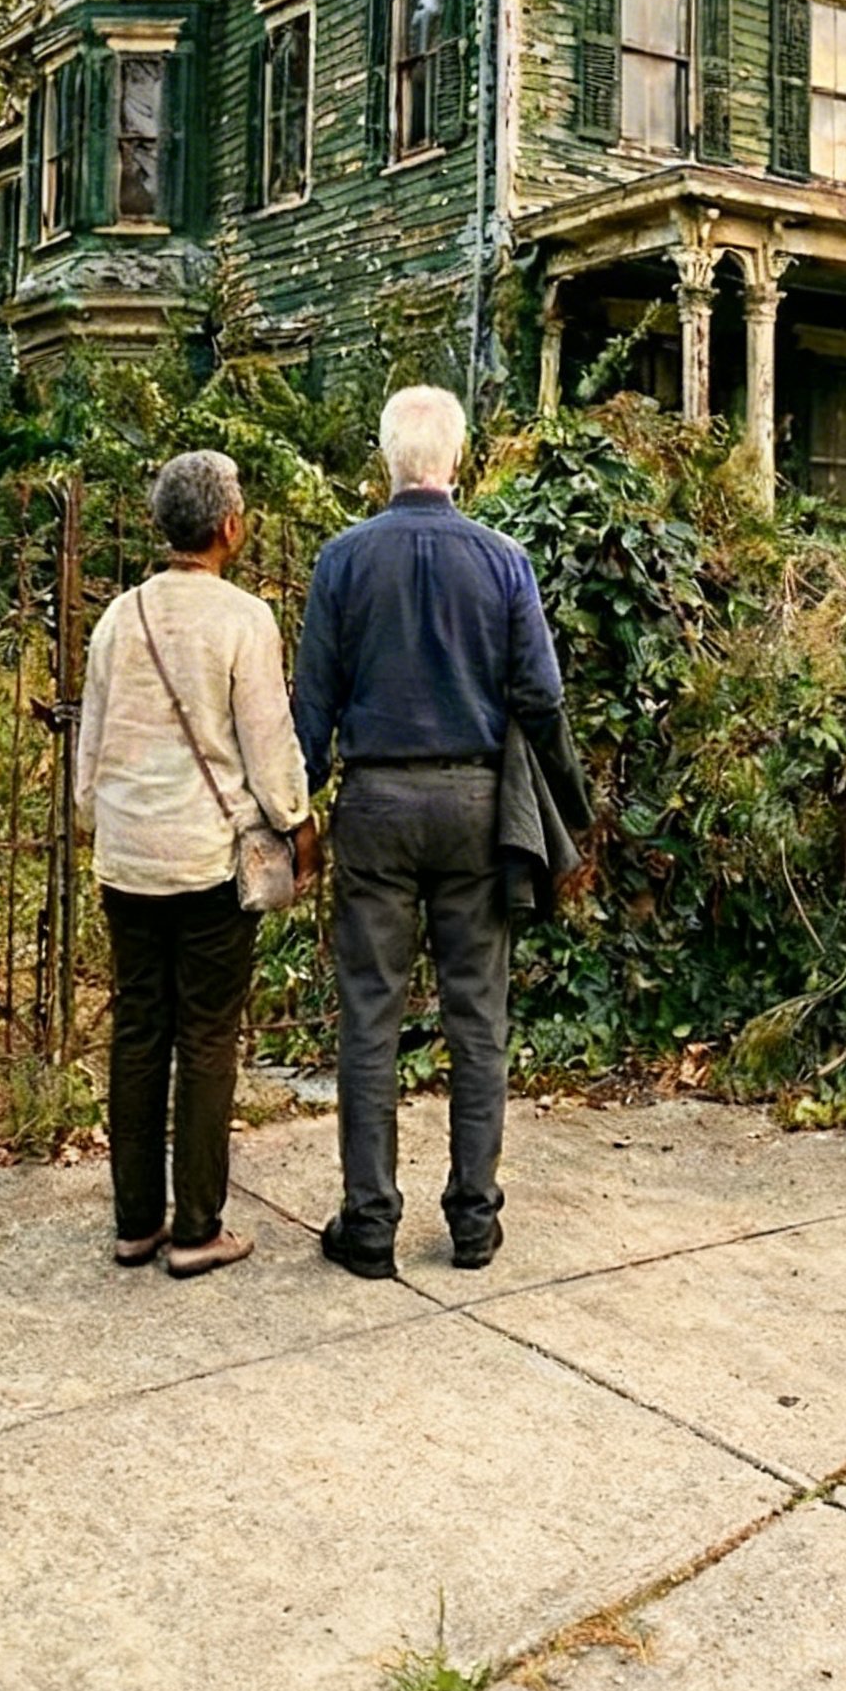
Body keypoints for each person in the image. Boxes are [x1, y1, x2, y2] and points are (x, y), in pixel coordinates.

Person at [293, 385, 566, 1280]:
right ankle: (474, 1221)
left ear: (387, 460)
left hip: (375, 803)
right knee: (478, 1017)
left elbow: (311, 711)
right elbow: (542, 694)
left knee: (370, 1015)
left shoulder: (341, 561)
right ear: (458, 460)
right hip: (477, 804)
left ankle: (370, 1222)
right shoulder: (503, 560)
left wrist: (294, 812)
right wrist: (562, 803)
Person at [76, 451, 318, 1279]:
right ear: (230, 527)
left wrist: (101, 818)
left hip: (127, 858)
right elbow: (269, 744)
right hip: (209, 860)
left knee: (139, 1028)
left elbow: (90, 752)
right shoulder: (243, 619)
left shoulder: (119, 618)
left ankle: (134, 1223)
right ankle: (197, 1228)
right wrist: (298, 824)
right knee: (208, 1037)